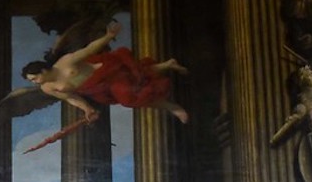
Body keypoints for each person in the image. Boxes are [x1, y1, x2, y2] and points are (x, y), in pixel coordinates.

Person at [21, 20, 188, 124]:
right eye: (32, 81)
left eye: (35, 77)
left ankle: (172, 107)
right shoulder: (47, 88)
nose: (35, 81)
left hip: (106, 72)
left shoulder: (65, 63)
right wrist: (87, 109)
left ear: (44, 70)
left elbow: (88, 50)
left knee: (132, 93)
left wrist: (108, 37)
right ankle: (168, 66)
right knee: (136, 82)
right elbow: (72, 98)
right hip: (98, 90)